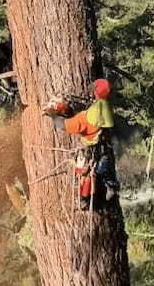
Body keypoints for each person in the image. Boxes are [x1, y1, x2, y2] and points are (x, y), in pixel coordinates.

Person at [43, 78, 119, 209]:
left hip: (89, 148)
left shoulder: (83, 120)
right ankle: (111, 187)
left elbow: (62, 124)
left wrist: (52, 114)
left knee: (84, 175)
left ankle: (84, 200)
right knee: (104, 168)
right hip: (102, 147)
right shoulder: (105, 106)